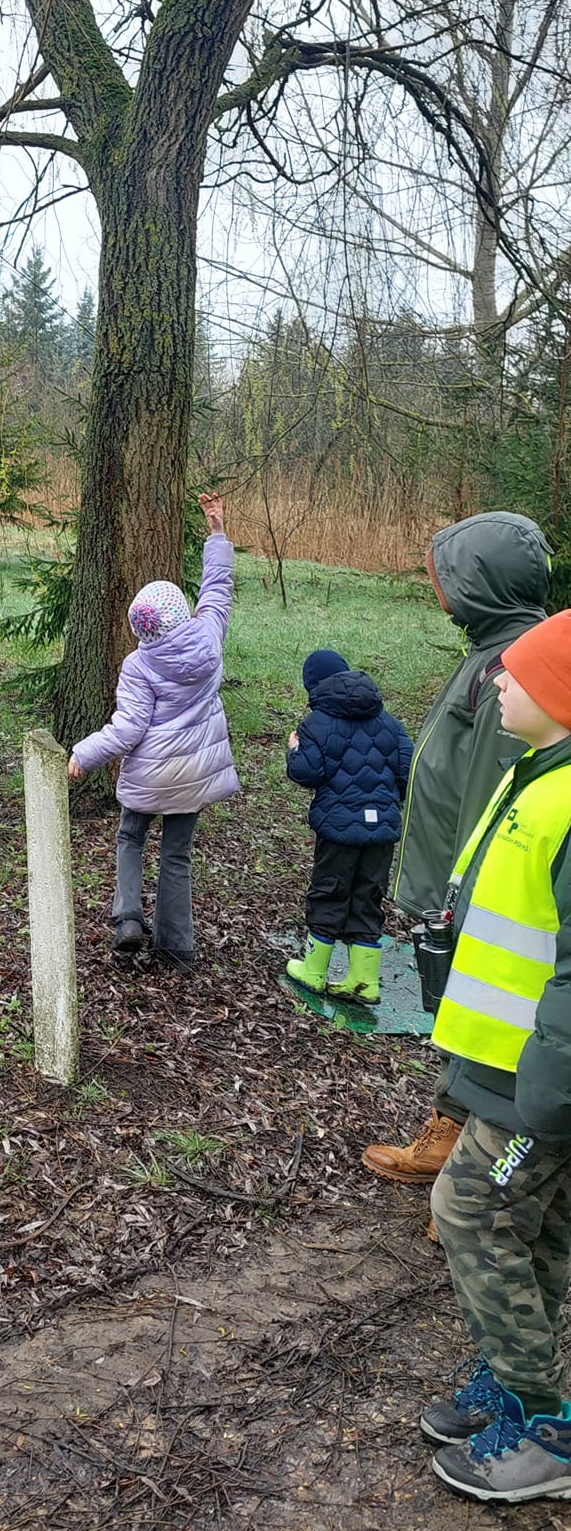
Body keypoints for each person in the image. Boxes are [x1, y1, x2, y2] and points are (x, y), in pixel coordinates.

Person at [419, 610, 571, 1504]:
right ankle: (521, 1386)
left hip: (542, 1080)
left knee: (470, 1205)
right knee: (541, 1227)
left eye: (516, 674)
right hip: (516, 1064)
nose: (498, 683)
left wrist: (547, 1089)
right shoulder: (541, 772)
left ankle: (543, 1419)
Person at [363, 512, 551, 1186]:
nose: (434, 582)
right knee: (453, 1013)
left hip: (475, 893)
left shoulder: (517, 663)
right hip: (451, 882)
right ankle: (450, 1136)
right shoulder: (490, 649)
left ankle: (475, 1178)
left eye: (446, 570)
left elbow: (503, 793)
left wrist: (458, 895)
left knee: (490, 1022)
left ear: (482, 580)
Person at [67, 493, 239, 970]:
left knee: (130, 837)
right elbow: (218, 588)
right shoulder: (208, 635)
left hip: (150, 774)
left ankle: (126, 919)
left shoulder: (139, 665)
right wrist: (217, 533)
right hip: (197, 773)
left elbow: (127, 730)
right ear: (181, 613)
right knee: (177, 855)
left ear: (142, 630)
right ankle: (176, 948)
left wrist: (83, 754)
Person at [284, 651, 413, 1003]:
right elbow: (407, 768)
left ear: (314, 686)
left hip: (338, 830)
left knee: (330, 889)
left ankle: (314, 971)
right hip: (381, 831)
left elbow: (307, 773)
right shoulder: (388, 722)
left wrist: (294, 750)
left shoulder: (317, 724)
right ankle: (365, 980)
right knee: (369, 894)